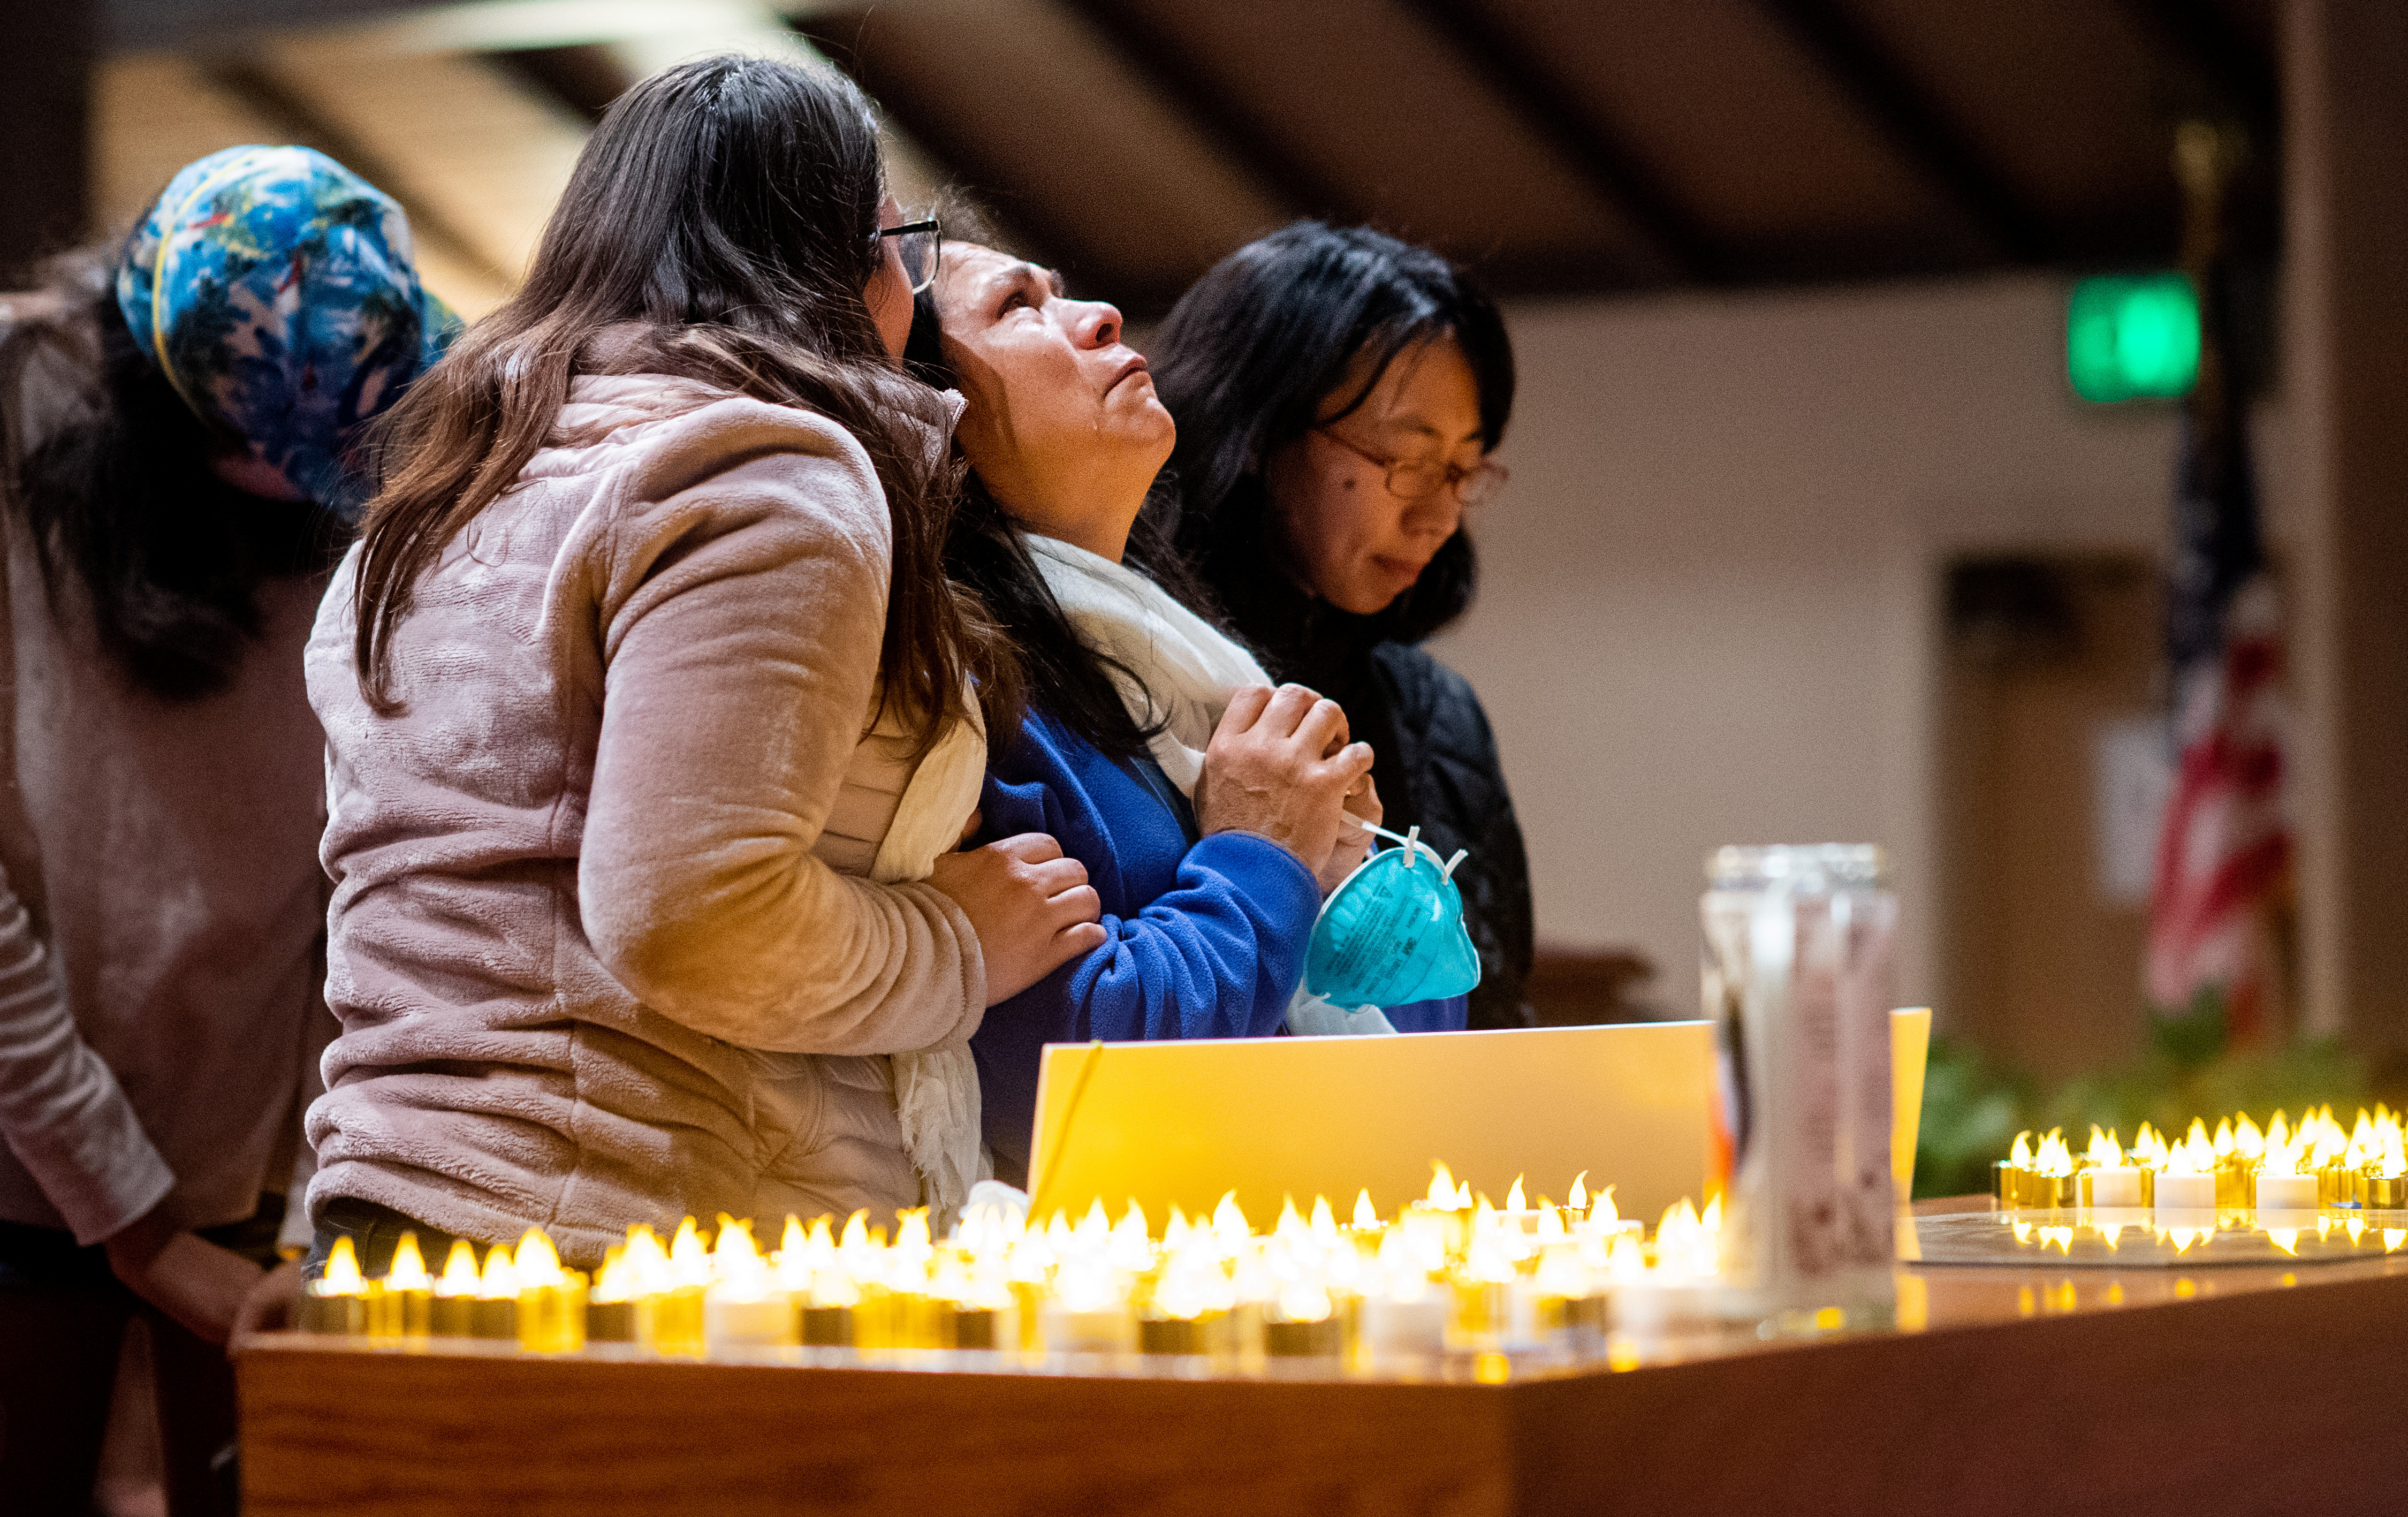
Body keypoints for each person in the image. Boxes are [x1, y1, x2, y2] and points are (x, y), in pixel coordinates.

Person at [301, 57, 1100, 1281]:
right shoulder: (758, 474)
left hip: (399, 1212)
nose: (913, 299)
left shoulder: (444, 495)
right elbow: (691, 917)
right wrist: (957, 949)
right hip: (622, 1232)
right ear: (830, 261)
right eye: (900, 248)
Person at [0, 146, 455, 1515]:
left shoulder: (413, 431)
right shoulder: (18, 405)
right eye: (275, 466)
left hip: (265, 1163)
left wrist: (325, 1192)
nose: (321, 499)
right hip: (22, 1140)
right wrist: (129, 1220)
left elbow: (383, 870)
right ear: (161, 407)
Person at [909, 240, 1464, 1180]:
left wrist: (1342, 901)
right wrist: (1263, 858)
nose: (1099, 315)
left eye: (1062, 286)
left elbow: (1431, 1055)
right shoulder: (955, 693)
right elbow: (1063, 1091)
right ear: (930, 410)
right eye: (1016, 307)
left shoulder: (1185, 662)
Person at [1156, 223, 1537, 1030]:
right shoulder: (1149, 667)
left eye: (1463, 469)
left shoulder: (1436, 711)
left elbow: (1493, 1016)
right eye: (1407, 458)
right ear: (1258, 432)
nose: (1438, 514)